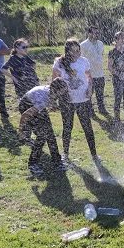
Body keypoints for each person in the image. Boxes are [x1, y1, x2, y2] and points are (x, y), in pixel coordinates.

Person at [52, 38, 100, 166]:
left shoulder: (84, 61)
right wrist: (57, 97)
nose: (77, 53)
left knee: (87, 127)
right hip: (66, 101)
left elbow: (90, 78)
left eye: (78, 50)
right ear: (67, 51)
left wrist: (90, 90)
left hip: (83, 100)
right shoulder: (59, 63)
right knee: (67, 127)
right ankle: (65, 155)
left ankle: (94, 155)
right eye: (74, 51)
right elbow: (54, 82)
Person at [18, 78, 70, 176]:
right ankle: (33, 164)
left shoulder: (51, 91)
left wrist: (53, 104)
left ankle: (57, 161)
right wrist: (21, 131)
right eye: (62, 91)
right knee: (42, 136)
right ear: (56, 90)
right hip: (26, 106)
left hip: (35, 103)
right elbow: (25, 115)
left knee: (50, 133)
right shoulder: (43, 99)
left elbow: (51, 99)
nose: (64, 93)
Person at [80, 26, 108, 115]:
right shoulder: (83, 45)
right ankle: (90, 111)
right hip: (90, 75)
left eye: (97, 33)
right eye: (95, 33)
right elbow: (81, 59)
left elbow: (101, 55)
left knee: (100, 94)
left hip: (100, 73)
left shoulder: (100, 43)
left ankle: (101, 109)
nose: (97, 34)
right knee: (89, 94)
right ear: (89, 33)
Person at [107, 30, 124, 126]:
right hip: (117, 80)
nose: (123, 40)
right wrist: (118, 74)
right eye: (121, 38)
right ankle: (117, 120)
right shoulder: (112, 52)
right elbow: (109, 67)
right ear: (116, 40)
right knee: (118, 100)